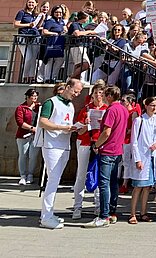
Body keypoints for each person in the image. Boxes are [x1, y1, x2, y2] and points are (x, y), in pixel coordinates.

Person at [37, 78, 85, 229]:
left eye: (79, 92)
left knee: (56, 181)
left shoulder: (70, 105)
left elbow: (67, 124)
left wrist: (76, 128)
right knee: (53, 180)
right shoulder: (51, 102)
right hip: (52, 145)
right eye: (75, 91)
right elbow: (43, 122)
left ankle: (49, 213)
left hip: (64, 145)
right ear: (67, 87)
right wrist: (61, 128)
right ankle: (46, 217)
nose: (77, 94)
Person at [85, 85, 129, 228]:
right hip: (117, 150)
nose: (103, 97)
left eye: (105, 94)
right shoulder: (123, 109)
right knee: (113, 183)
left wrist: (96, 144)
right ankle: (112, 212)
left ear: (109, 96)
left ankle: (104, 215)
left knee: (104, 183)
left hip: (108, 150)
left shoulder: (111, 110)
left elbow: (106, 132)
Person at [72, 82, 107, 219]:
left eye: (101, 93)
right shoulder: (86, 109)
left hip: (100, 144)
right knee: (81, 174)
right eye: (96, 93)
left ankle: (98, 206)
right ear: (92, 95)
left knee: (99, 175)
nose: (98, 96)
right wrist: (88, 124)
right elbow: (78, 130)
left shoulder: (107, 109)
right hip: (86, 142)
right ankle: (77, 206)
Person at [128, 96, 156, 224]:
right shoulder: (139, 120)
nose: (154, 108)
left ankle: (143, 212)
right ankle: (132, 213)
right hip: (142, 156)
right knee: (138, 187)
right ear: (146, 106)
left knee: (147, 187)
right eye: (152, 105)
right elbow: (134, 142)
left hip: (152, 157)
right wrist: (137, 159)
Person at [15, 88, 39, 185]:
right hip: (23, 135)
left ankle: (30, 175)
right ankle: (23, 175)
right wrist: (32, 128)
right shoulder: (21, 108)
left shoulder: (38, 107)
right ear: (28, 97)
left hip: (35, 136)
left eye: (36, 97)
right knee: (23, 155)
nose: (34, 98)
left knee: (33, 156)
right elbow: (20, 122)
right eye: (33, 96)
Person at [14, 0, 42, 82]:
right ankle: (25, 76)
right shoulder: (22, 13)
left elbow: (36, 26)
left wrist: (42, 20)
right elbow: (16, 24)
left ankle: (31, 77)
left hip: (35, 37)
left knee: (33, 58)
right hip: (23, 36)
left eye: (33, 3)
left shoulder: (36, 14)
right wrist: (28, 25)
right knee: (28, 57)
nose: (31, 4)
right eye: (29, 2)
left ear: (36, 4)